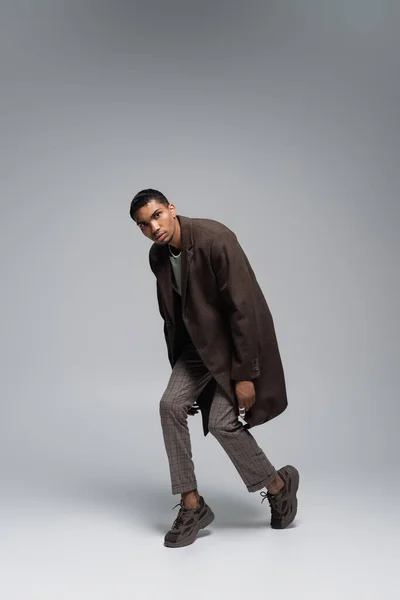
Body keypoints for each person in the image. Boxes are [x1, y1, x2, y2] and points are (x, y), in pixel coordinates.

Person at [129, 188, 299, 548]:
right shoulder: (157, 258)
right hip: (196, 350)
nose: (153, 227)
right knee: (170, 405)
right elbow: (174, 317)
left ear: (172, 209)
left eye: (157, 215)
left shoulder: (215, 239)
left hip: (234, 348)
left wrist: (245, 375)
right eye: (144, 224)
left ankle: (278, 486)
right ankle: (192, 504)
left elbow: (244, 310)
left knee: (223, 423)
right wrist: (183, 376)